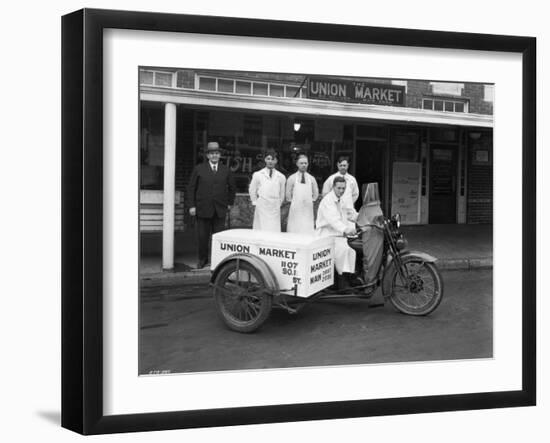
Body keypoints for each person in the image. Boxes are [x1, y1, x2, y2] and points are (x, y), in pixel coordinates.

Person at [187, 142, 236, 268]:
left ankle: (217, 260)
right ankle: (202, 259)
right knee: (202, 237)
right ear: (208, 156)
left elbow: (232, 188)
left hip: (220, 209)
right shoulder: (199, 168)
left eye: (217, 153)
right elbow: (191, 188)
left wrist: (229, 203)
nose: (214, 155)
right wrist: (192, 206)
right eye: (212, 153)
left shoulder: (226, 170)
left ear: (220, 155)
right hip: (203, 208)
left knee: (218, 237)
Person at [315, 176, 358, 285]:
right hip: (327, 233)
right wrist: (346, 229)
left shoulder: (342, 199)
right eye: (339, 188)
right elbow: (334, 220)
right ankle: (341, 282)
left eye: (343, 188)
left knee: (353, 248)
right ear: (333, 187)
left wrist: (362, 218)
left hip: (338, 233)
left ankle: (350, 276)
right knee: (343, 249)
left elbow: (350, 213)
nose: (341, 191)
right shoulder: (328, 201)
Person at [249, 149, 286, 232]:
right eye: (268, 159)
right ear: (265, 160)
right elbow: (252, 189)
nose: (270, 161)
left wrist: (278, 203)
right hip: (262, 205)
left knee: (273, 229)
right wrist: (255, 202)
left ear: (276, 161)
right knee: (261, 229)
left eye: (273, 159)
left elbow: (282, 193)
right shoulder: (258, 174)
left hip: (274, 207)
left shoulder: (281, 177)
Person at [356, 182, 385, 287]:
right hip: (370, 237)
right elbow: (361, 223)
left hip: (377, 236)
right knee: (370, 260)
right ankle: (368, 281)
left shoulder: (376, 206)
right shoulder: (366, 208)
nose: (372, 194)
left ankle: (376, 277)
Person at [285, 154, 319, 235]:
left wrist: (310, 201)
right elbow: (288, 195)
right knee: (294, 229)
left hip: (307, 209)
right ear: (297, 164)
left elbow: (316, 193)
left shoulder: (311, 179)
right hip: (296, 209)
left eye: (305, 163)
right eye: (301, 163)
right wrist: (294, 203)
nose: (304, 165)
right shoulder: (292, 178)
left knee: (307, 230)